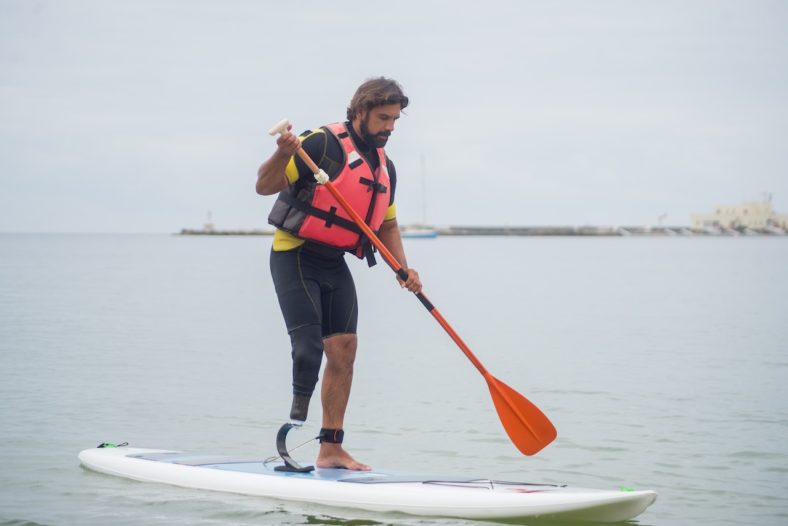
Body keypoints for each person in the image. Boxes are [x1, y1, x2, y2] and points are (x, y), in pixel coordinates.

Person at [256, 77, 422, 471]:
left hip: (333, 261)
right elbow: (264, 185)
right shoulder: (319, 144)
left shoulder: (385, 168)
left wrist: (403, 267)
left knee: (345, 349)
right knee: (310, 348)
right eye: (383, 118)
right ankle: (293, 425)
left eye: (396, 120)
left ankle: (331, 448)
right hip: (294, 254)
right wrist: (282, 154)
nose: (390, 127)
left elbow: (387, 226)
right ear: (360, 112)